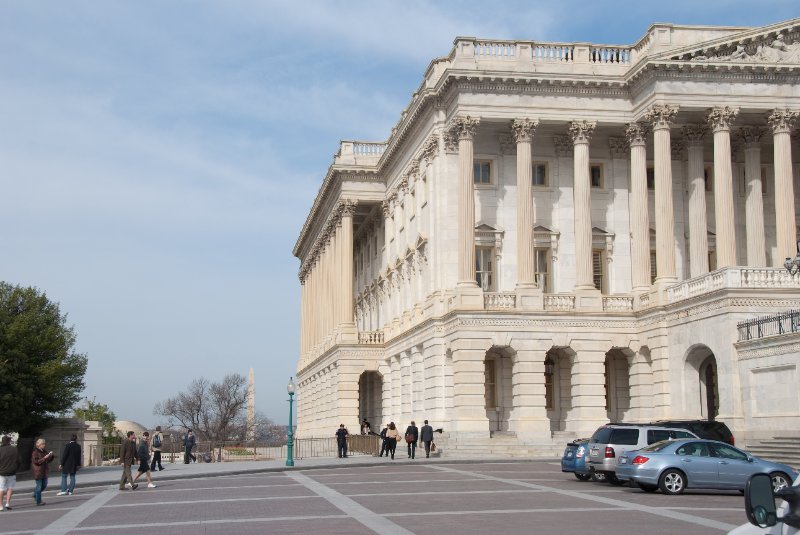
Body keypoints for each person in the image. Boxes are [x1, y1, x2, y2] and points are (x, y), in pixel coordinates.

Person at [31, 438, 54, 505]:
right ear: (39, 445)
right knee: (39, 487)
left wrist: (51, 456)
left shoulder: (44, 451)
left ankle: (35, 494)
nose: (44, 445)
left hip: (44, 471)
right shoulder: (35, 452)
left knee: (44, 485)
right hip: (38, 471)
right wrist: (44, 458)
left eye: (44, 444)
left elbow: (48, 460)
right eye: (43, 444)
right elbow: (36, 462)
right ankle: (39, 501)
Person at [0, 435, 19, 511]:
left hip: (1, 472)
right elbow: (19, 461)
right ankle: (7, 503)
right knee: (10, 488)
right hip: (12, 471)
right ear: (9, 441)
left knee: (1, 488)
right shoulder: (14, 449)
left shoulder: (0, 450)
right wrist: (16, 468)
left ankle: (0, 505)